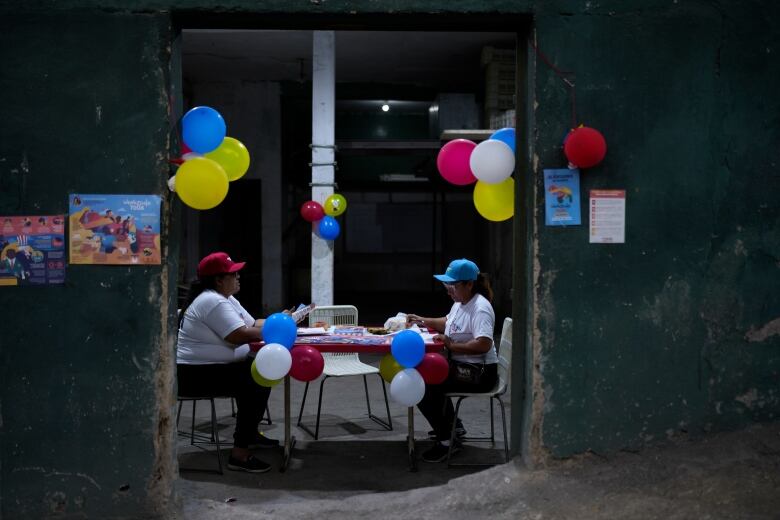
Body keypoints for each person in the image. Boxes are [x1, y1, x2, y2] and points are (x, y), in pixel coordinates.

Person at [176, 251, 279, 473]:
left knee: (263, 372)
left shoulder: (226, 298)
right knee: (255, 379)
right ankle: (239, 455)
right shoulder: (211, 301)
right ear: (219, 280)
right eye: (233, 274)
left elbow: (253, 323)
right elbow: (239, 335)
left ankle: (249, 434)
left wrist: (282, 319)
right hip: (194, 375)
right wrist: (276, 330)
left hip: (211, 370)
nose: (239, 276)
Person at [406, 258, 498, 463]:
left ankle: (447, 440)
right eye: (446, 286)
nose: (449, 291)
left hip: (480, 373)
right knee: (429, 373)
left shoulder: (480, 308)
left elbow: (483, 343)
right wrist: (422, 320)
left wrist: (451, 345)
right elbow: (448, 321)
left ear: (469, 284)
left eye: (453, 286)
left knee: (423, 384)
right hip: (465, 366)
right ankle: (453, 426)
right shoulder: (460, 302)